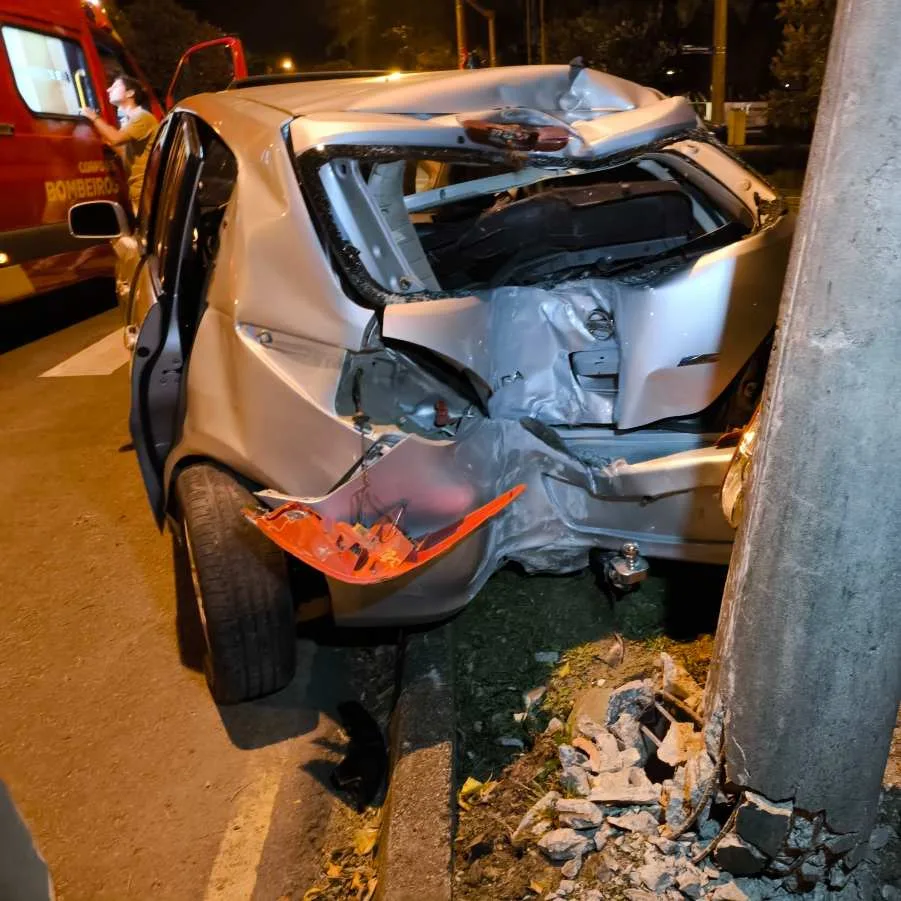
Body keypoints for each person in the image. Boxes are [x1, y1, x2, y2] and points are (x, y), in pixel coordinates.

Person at [81, 75, 158, 213]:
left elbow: (116, 138)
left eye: (115, 86)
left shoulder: (142, 118)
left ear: (130, 93)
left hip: (145, 188)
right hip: (138, 188)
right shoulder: (133, 120)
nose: (108, 89)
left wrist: (94, 117)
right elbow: (123, 151)